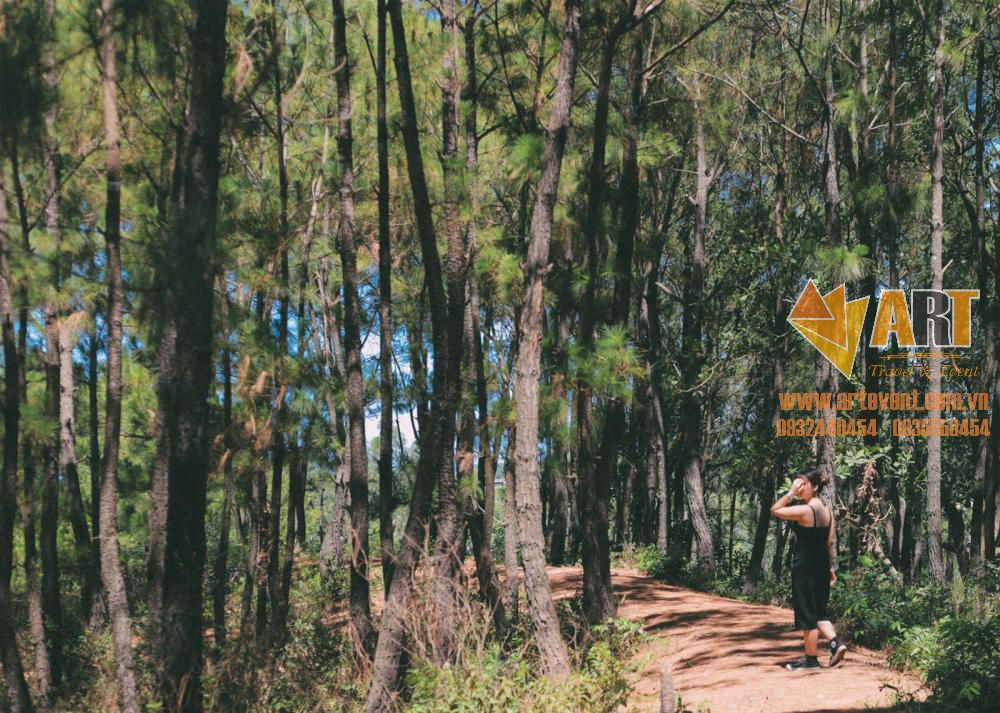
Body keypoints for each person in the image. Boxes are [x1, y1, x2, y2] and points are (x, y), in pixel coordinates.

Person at [770, 468, 848, 671]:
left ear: (814, 487)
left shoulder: (806, 510)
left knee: (806, 614)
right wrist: (831, 567)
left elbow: (775, 510)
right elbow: (830, 542)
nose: (799, 486)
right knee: (820, 613)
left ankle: (811, 660)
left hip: (805, 567)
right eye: (797, 482)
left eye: (803, 483)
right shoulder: (827, 511)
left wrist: (790, 493)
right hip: (821, 566)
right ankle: (835, 643)